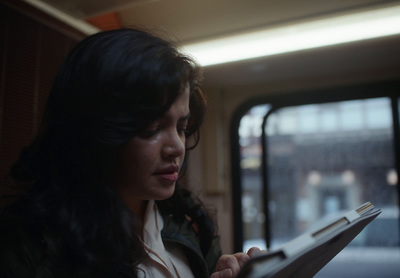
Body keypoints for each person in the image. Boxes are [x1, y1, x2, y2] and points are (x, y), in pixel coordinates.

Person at [0, 28, 261, 278]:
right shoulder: (30, 248)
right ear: (95, 131)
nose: (177, 148)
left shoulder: (182, 218)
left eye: (181, 127)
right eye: (151, 128)